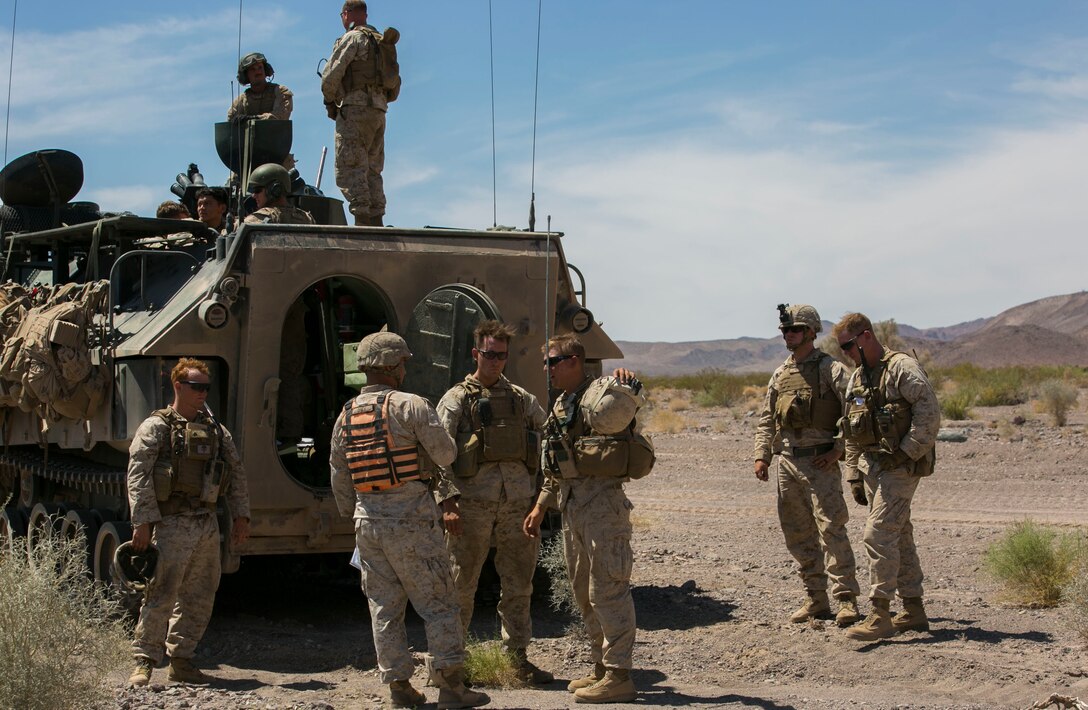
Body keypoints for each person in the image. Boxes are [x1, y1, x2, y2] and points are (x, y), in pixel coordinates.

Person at [329, 331, 490, 709]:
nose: (405, 368)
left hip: (367, 521)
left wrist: (354, 511)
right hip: (411, 520)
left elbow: (339, 474)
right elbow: (446, 454)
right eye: (402, 362)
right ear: (389, 366)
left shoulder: (346, 414)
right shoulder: (410, 405)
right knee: (439, 603)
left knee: (384, 608)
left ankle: (400, 688)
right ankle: (452, 686)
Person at [523, 334, 651, 704]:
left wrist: (626, 387)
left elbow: (624, 414)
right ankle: (601, 666)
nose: (546, 369)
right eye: (545, 362)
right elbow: (558, 463)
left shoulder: (600, 395)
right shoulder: (564, 403)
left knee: (608, 589)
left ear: (574, 360)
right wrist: (541, 505)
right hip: (573, 507)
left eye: (552, 362)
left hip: (603, 508)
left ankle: (619, 675)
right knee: (583, 591)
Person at [436, 320, 552, 685]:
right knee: (460, 585)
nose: (496, 362)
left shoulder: (520, 399)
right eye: (489, 354)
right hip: (470, 506)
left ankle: (517, 659)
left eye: (502, 356)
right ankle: (452, 664)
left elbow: (550, 440)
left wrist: (542, 500)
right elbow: (437, 455)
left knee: (519, 584)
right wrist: (447, 503)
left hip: (517, 506)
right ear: (476, 354)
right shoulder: (456, 399)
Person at [126, 358, 251, 687]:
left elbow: (235, 474)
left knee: (200, 594)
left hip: (206, 523)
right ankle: (144, 661)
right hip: (170, 524)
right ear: (177, 386)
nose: (202, 393)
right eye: (196, 387)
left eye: (206, 388)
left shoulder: (216, 431)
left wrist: (241, 516)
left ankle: (182, 659)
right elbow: (138, 477)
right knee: (161, 593)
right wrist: (143, 522)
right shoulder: (156, 428)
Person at [833, 313, 940, 642]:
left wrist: (906, 452)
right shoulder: (858, 378)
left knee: (877, 534)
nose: (845, 353)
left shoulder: (901, 369)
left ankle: (880, 613)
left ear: (865, 336)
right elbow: (852, 428)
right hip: (873, 468)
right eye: (841, 348)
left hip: (902, 467)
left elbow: (929, 413)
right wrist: (852, 472)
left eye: (848, 346)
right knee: (898, 534)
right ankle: (913, 608)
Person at [753, 304, 861, 627]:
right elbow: (766, 420)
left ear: (812, 333)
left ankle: (846, 600)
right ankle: (816, 598)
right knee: (799, 534)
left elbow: (856, 403)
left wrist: (839, 449)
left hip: (820, 463)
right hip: (788, 464)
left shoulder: (830, 369)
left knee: (832, 530)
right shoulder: (781, 374)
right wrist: (762, 455)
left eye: (795, 330)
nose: (789, 335)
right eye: (785, 330)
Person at [321, 0, 401, 227]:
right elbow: (395, 85)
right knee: (373, 169)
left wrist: (330, 101)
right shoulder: (381, 41)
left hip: (354, 109)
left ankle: (362, 223)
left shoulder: (353, 38)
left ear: (347, 14)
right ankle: (377, 221)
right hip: (378, 110)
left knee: (351, 166)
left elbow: (330, 76)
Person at [227, 52, 295, 170]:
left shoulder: (280, 92)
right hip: (248, 160)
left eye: (260, 67)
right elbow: (230, 122)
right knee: (231, 186)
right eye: (253, 69)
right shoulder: (242, 100)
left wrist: (255, 119)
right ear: (246, 75)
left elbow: (280, 116)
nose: (257, 71)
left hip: (277, 158)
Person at [243, 163, 314, 225]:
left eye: (257, 190)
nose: (253, 195)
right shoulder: (307, 219)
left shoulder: (255, 221)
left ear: (274, 190)